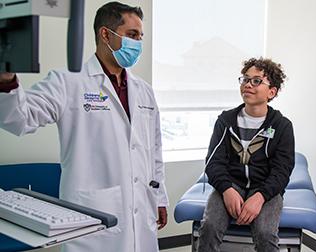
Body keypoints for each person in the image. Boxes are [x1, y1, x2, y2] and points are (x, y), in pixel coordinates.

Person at [0, 2, 168, 251]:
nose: (139, 43)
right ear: (105, 34)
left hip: (142, 208)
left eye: (141, 37)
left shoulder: (143, 91)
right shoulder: (68, 82)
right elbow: (21, 118)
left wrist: (159, 197)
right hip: (93, 214)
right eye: (132, 35)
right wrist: (5, 77)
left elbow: (154, 150)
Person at [197, 58, 295, 252]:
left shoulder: (282, 126)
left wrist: (260, 196)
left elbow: (282, 171)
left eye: (257, 81)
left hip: (266, 189)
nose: (248, 84)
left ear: (272, 92)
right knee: (209, 228)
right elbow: (213, 162)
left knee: (266, 234)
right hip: (231, 185)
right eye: (245, 79)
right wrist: (227, 189)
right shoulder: (225, 121)